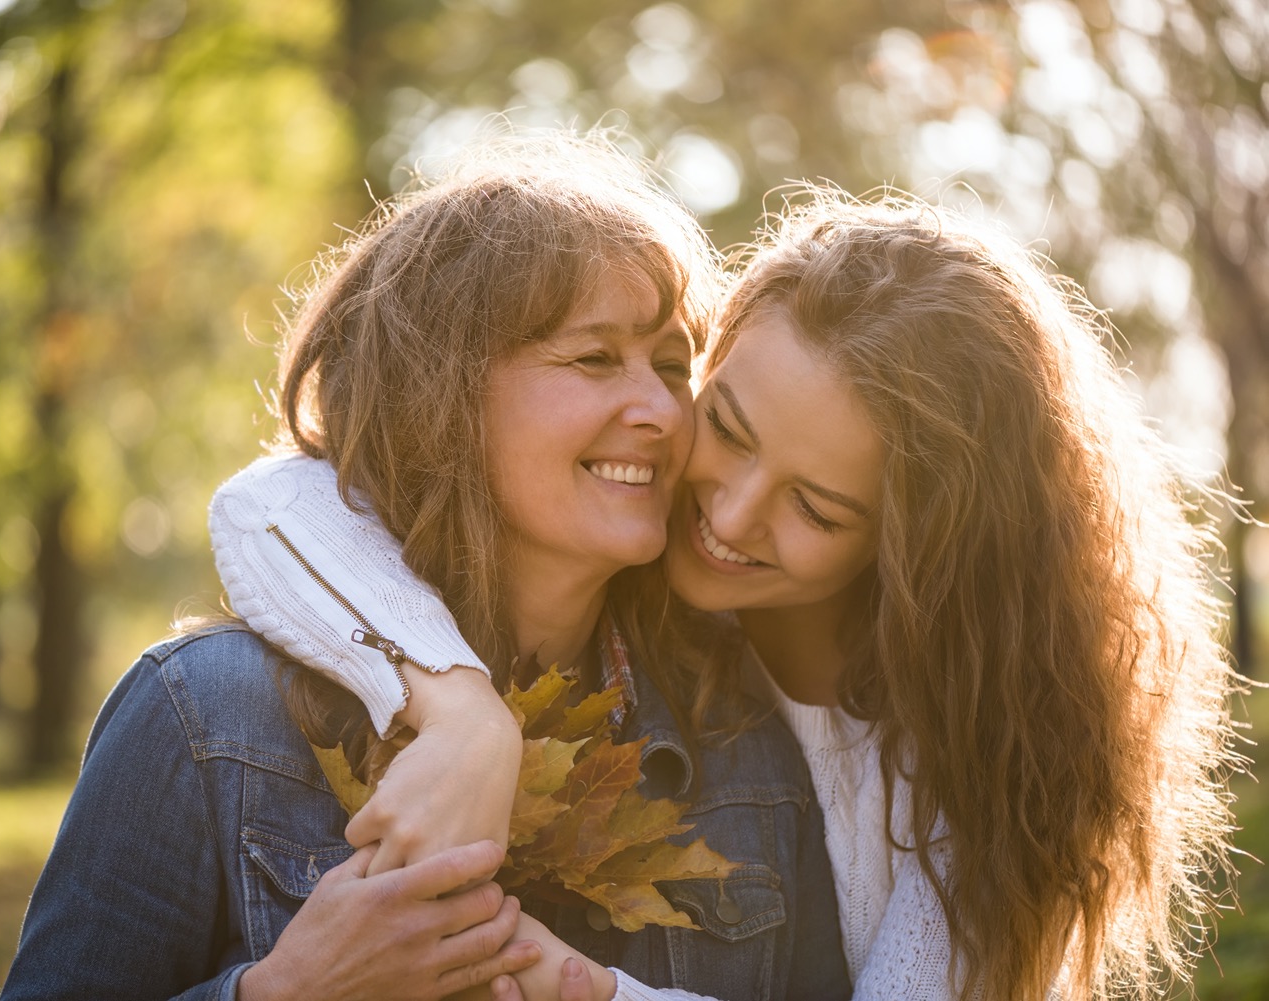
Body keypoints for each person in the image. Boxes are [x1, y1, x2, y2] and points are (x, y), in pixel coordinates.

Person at [216, 189, 1244, 1000]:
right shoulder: (633, 591)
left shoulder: (982, 759)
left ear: (921, 551)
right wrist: (460, 710)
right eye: (731, 426)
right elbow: (271, 502)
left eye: (818, 507)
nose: (731, 514)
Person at [0, 137, 852, 1001]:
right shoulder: (206, 717)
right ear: (438, 394)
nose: (662, 412)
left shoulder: (740, 750)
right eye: (595, 358)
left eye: (673, 368)